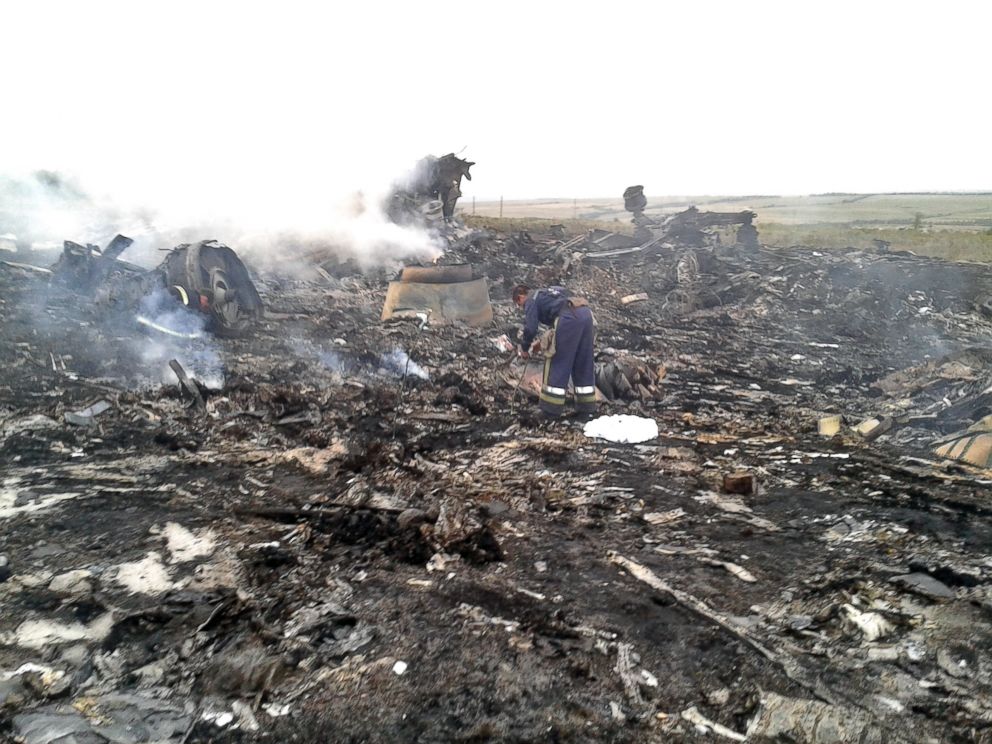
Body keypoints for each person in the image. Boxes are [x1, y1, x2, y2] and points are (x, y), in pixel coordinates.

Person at [512, 284, 597, 418]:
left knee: (557, 360)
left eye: (519, 304)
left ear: (520, 296)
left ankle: (550, 410)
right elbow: (559, 313)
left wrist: (524, 348)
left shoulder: (530, 300)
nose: (521, 307)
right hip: (585, 314)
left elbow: (531, 328)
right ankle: (587, 408)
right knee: (582, 360)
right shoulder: (549, 292)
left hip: (569, 318)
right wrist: (540, 342)